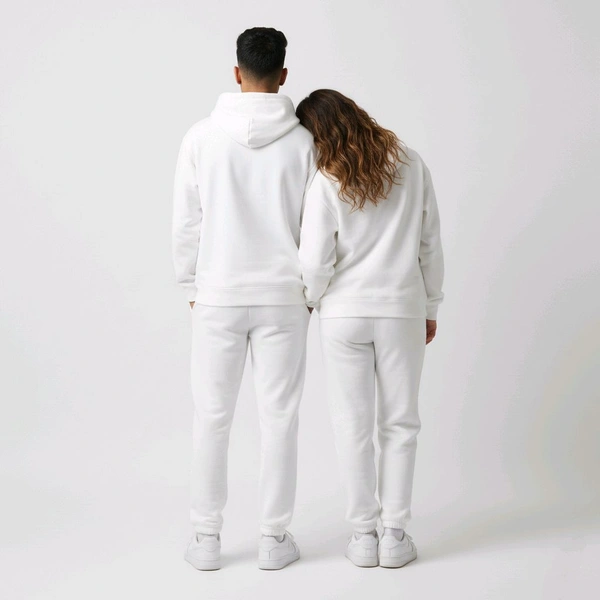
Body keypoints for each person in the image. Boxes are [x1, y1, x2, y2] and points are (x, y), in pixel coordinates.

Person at [172, 28, 315, 571]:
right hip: (284, 298)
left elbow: (186, 223)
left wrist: (192, 286)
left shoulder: (200, 137)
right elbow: (316, 227)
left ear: (237, 72)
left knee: (212, 417)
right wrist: (309, 292)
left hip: (218, 295)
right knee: (280, 418)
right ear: (283, 75)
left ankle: (206, 539)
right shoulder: (305, 143)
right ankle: (273, 540)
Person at [297, 90, 444, 568]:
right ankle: (395, 536)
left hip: (344, 314)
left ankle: (363, 536)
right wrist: (431, 305)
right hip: (402, 308)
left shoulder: (325, 179)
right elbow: (429, 244)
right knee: (401, 423)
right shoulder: (412, 164)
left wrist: (313, 299)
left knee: (351, 424)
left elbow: (314, 260)